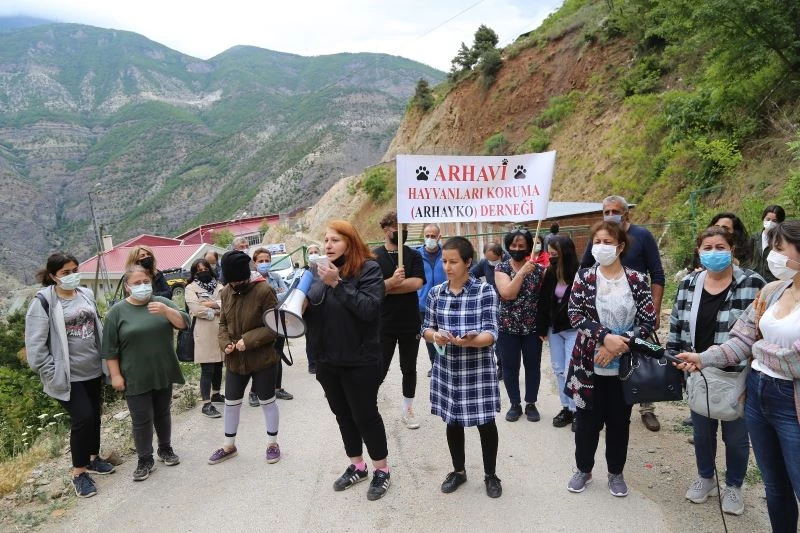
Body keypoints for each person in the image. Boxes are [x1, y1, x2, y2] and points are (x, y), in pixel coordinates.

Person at [677, 220, 800, 532]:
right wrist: (702, 358)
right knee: (776, 486)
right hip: (758, 392)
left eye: (779, 249)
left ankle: (734, 484)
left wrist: (760, 353)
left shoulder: (754, 282)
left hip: (789, 399)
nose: (773, 256)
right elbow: (743, 340)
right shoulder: (773, 291)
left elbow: (775, 354)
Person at [666, 227, 765, 515]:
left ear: (732, 249)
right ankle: (706, 477)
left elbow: (758, 332)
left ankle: (733, 486)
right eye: (707, 247)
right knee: (702, 431)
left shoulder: (752, 283)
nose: (713, 252)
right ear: (698, 251)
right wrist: (675, 360)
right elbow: (676, 324)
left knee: (735, 436)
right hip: (696, 370)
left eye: (720, 246)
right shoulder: (689, 283)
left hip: (736, 375)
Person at [566, 220, 656, 497]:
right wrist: (604, 337)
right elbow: (575, 314)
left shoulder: (638, 279)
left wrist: (619, 343)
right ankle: (583, 469)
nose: (601, 247)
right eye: (597, 242)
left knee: (619, 423)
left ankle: (615, 472)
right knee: (586, 422)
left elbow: (649, 320)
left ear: (620, 246)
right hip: (588, 364)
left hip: (625, 367)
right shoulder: (585, 277)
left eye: (607, 242)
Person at [303, 220, 391, 501]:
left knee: (365, 415)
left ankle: (382, 470)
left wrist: (338, 284)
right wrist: (300, 306)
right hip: (328, 360)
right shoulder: (316, 273)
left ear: (350, 242)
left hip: (360, 358)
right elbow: (313, 312)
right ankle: (357, 465)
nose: (328, 245)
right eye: (326, 240)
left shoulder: (369, 269)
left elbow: (369, 309)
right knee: (343, 415)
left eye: (335, 240)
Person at [25, 253, 116, 498]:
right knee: (82, 418)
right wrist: (51, 371)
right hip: (67, 376)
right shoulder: (43, 301)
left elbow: (97, 328)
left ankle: (93, 458)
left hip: (93, 370)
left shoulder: (85, 294)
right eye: (66, 272)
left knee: (95, 415)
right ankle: (79, 472)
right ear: (53, 275)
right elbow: (35, 347)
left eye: (75, 269)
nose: (72, 275)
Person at [421, 236, 502, 498]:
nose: (447, 266)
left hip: (477, 371)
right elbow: (426, 328)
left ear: (468, 262)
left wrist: (469, 340)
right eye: (445, 261)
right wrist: (436, 336)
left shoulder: (484, 291)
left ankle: (491, 475)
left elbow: (491, 334)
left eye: (453, 261)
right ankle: (459, 472)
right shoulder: (436, 292)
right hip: (447, 371)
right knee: (452, 422)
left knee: (485, 423)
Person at [580, 195, 665, 432]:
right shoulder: (599, 239)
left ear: (626, 214)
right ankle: (606, 406)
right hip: (604, 311)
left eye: (615, 211)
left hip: (637, 309)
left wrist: (655, 309)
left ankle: (646, 407)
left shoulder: (642, 236)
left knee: (639, 358)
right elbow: (585, 267)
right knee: (606, 362)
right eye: (606, 211)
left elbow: (657, 274)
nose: (610, 216)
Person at [103, 264, 189, 482]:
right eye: (137, 283)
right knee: (141, 419)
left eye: (145, 282)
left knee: (163, 413)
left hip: (162, 370)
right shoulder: (117, 312)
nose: (142, 286)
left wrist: (167, 311)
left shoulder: (161, 303)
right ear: (127, 287)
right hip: (134, 374)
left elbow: (184, 323)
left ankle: (165, 449)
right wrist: (115, 375)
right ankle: (144, 459)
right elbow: (109, 349)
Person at [207, 250, 282, 465]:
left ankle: (272, 444)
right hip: (235, 361)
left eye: (237, 280)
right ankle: (229, 446)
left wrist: (248, 340)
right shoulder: (226, 292)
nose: (233, 284)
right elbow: (223, 324)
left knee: (267, 401)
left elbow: (275, 327)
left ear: (246, 274)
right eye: (229, 281)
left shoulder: (264, 290)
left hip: (262, 358)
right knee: (231, 403)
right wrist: (225, 344)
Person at [374, 212, 425, 429]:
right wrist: (391, 282)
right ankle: (368, 404)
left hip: (409, 322)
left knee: (409, 367)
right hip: (383, 323)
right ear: (386, 230)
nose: (402, 232)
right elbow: (371, 288)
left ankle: (408, 408)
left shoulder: (412, 255)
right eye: (397, 227)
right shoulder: (374, 257)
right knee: (379, 367)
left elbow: (416, 283)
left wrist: (388, 287)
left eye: (405, 227)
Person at [494, 227, 546, 422]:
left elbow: (545, 299)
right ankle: (515, 404)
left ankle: (531, 403)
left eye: (521, 245)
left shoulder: (539, 270)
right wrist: (522, 272)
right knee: (509, 366)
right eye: (513, 245)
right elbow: (508, 293)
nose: (516, 248)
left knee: (533, 366)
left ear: (529, 248)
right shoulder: (501, 268)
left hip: (532, 328)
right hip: (507, 328)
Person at [536, 235, 579, 430]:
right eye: (550, 253)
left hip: (573, 329)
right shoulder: (550, 272)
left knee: (572, 369)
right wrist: (542, 327)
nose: (551, 256)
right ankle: (566, 408)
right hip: (555, 330)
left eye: (555, 253)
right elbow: (544, 301)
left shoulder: (580, 274)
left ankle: (578, 410)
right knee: (559, 370)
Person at [185, 258, 225, 418]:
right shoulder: (190, 288)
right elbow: (195, 308)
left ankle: (216, 394)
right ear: (194, 273)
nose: (203, 271)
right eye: (199, 270)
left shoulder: (220, 285)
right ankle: (206, 403)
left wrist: (211, 305)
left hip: (221, 331)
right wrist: (216, 309)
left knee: (219, 365)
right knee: (207, 368)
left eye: (205, 268)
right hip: (204, 332)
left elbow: (228, 304)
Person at [253, 248, 293, 402]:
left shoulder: (275, 277)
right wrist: (276, 294)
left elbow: (287, 294)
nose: (264, 264)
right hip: (260, 325)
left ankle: (277, 388)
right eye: (260, 261)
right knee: (260, 358)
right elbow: (256, 302)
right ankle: (254, 392)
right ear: (254, 263)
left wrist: (270, 297)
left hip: (278, 321)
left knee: (277, 355)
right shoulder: (251, 280)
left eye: (267, 260)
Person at [416, 223, 447, 376]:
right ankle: (434, 364)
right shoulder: (416, 255)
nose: (430, 239)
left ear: (439, 237)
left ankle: (446, 363)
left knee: (445, 333)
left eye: (433, 236)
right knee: (429, 335)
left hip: (445, 302)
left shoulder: (447, 254)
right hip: (423, 304)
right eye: (427, 236)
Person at [743, 204, 786, 282]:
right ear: (763, 219)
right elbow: (748, 257)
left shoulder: (781, 240)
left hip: (773, 281)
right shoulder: (755, 237)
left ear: (780, 222)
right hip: (754, 279)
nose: (770, 222)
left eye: (774, 221)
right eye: (768, 219)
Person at [305, 244, 322, 374]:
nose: (313, 254)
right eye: (311, 252)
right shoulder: (304, 272)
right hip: (309, 310)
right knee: (311, 338)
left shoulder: (325, 270)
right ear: (307, 256)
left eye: (316, 251)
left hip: (324, 308)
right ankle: (312, 364)